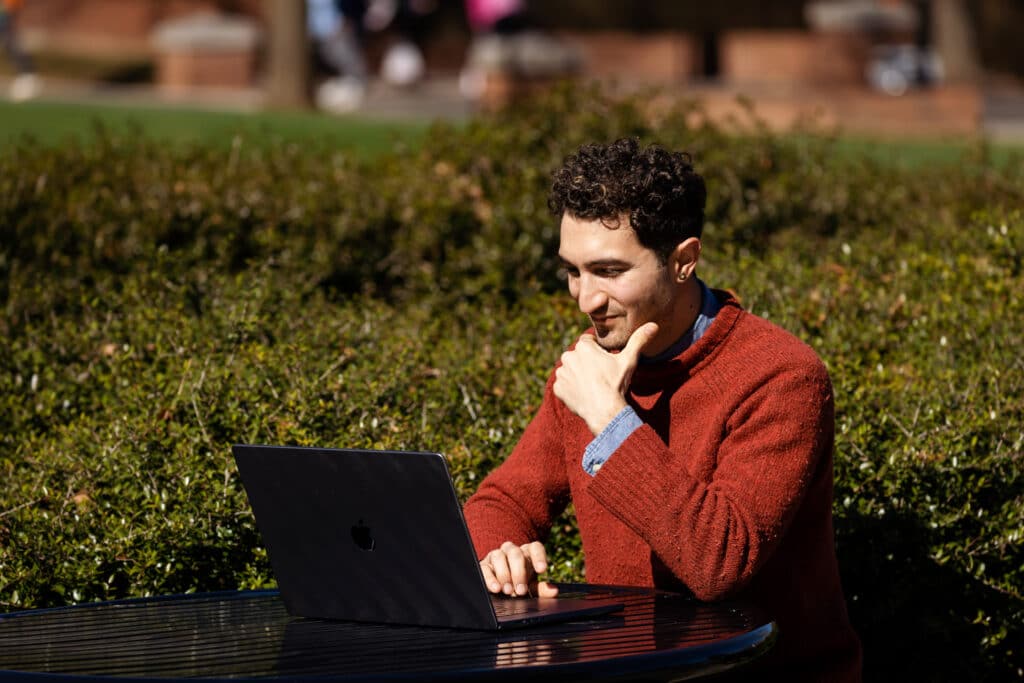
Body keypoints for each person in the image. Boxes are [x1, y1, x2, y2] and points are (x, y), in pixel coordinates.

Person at [462, 138, 863, 680]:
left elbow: (718, 562)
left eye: (608, 271)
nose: (585, 298)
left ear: (683, 261)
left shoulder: (782, 376)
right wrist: (499, 551)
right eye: (573, 271)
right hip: (627, 670)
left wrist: (609, 419)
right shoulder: (592, 369)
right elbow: (502, 499)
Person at [1, 0, 39, 102]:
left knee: (9, 39)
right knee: (9, 39)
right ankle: (26, 74)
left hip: (7, 6)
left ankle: (27, 75)